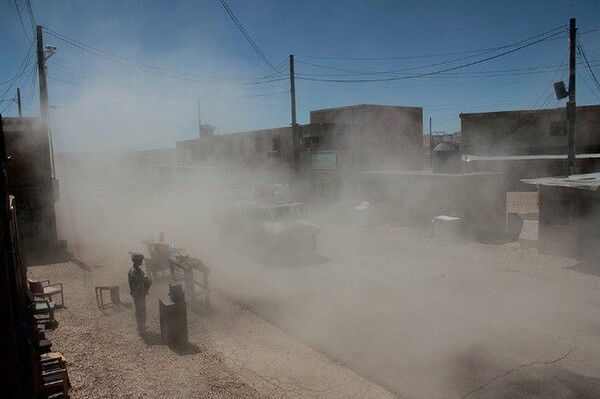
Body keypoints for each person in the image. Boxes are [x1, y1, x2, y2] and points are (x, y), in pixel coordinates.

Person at [128, 253, 152, 333]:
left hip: (137, 294)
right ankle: (141, 328)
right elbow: (140, 283)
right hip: (139, 294)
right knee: (141, 311)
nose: (141, 262)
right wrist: (148, 281)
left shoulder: (133, 269)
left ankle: (141, 326)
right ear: (136, 261)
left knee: (140, 310)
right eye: (140, 260)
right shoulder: (135, 272)